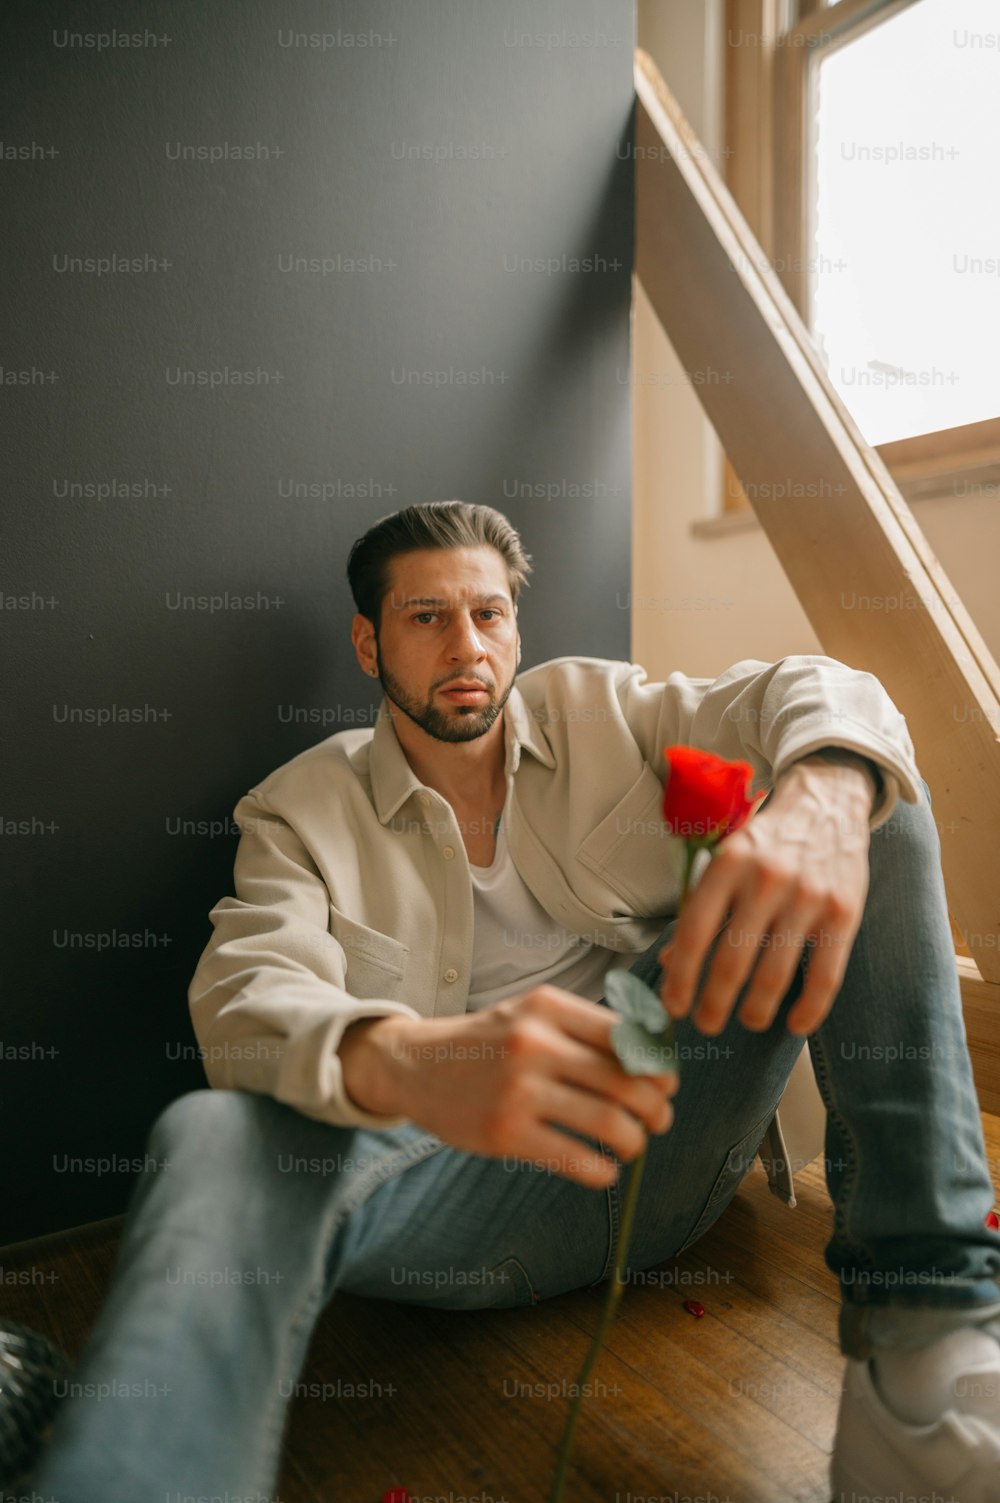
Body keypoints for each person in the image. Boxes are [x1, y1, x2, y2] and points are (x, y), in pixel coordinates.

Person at [24, 500, 1000, 1502]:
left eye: (488, 615)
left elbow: (822, 689)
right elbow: (242, 998)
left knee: (862, 796)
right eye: (426, 617)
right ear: (368, 642)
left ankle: (922, 1366)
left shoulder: (598, 708)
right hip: (446, 1196)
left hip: (664, 1135)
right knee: (216, 1130)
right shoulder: (300, 808)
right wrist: (426, 1059)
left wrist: (821, 800)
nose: (466, 645)